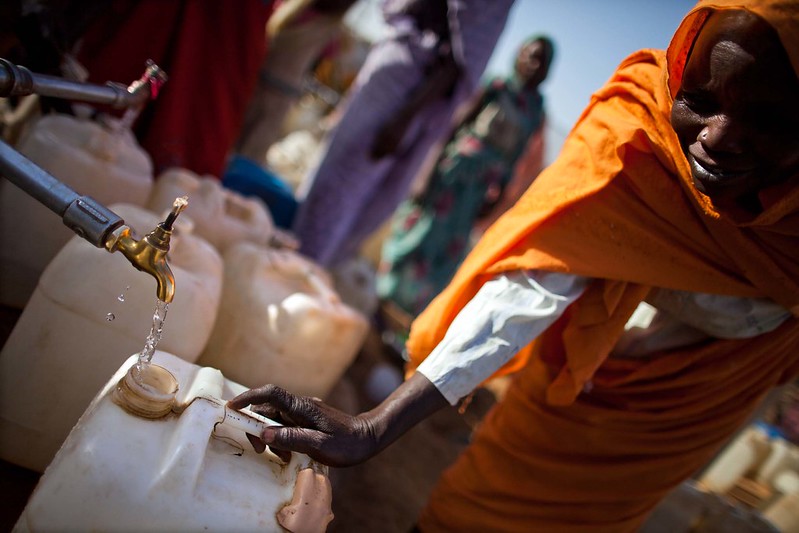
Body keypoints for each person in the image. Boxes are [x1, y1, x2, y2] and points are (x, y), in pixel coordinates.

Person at [229, 1, 799, 531]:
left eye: (769, 121)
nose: (717, 138)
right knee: (476, 498)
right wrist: (375, 424)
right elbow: (536, 280)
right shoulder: (636, 135)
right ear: (680, 71)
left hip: (695, 405)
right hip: (564, 383)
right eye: (700, 99)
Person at [290, 0, 515, 269]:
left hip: (414, 77)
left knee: (336, 191)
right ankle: (302, 269)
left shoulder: (430, 51)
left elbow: (455, 58)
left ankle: (296, 269)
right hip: (417, 77)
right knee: (344, 196)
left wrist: (405, 117)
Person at [376, 36, 555, 319]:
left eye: (542, 62)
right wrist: (426, 173)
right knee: (418, 235)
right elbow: (454, 128)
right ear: (518, 55)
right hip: (451, 176)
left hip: (477, 193)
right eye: (530, 55)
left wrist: (497, 199)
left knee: (447, 251)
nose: (534, 65)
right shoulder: (498, 87)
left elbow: (516, 157)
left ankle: (409, 316)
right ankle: (382, 299)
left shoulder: (536, 111)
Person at [232, 0, 358, 166]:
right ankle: (235, 176)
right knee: (257, 142)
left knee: (235, 128)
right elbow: (338, 52)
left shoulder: (290, 9)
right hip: (283, 90)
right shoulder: (328, 29)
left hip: (260, 77)